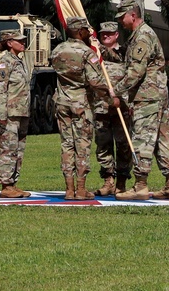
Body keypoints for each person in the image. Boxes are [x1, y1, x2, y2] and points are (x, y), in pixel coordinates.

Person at [112, 0, 169, 200]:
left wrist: (116, 91)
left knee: (142, 138)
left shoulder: (142, 36)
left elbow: (136, 72)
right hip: (156, 95)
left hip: (147, 97)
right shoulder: (140, 36)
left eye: (121, 17)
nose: (120, 22)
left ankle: (140, 185)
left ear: (132, 15)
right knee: (162, 139)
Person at [51, 16, 111, 200]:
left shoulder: (57, 50)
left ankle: (69, 189)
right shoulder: (86, 53)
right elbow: (95, 81)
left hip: (61, 102)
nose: (89, 33)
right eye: (86, 30)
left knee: (67, 145)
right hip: (80, 103)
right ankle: (81, 189)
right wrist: (110, 97)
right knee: (82, 145)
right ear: (79, 32)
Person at [92, 21, 132, 196]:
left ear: (116, 34)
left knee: (123, 144)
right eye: (102, 34)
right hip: (101, 106)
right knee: (103, 144)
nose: (105, 36)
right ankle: (108, 180)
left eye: (109, 33)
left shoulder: (124, 53)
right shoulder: (94, 54)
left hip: (121, 105)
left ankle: (121, 181)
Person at [0, 28, 31, 198]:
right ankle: (6, 184)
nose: (23, 43)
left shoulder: (18, 61)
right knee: (8, 150)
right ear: (9, 43)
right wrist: (1, 115)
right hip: (9, 114)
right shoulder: (4, 62)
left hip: (21, 112)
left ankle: (13, 183)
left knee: (18, 149)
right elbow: (0, 90)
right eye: (19, 41)